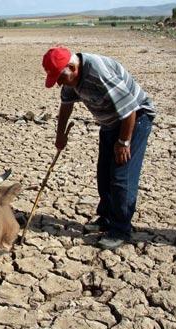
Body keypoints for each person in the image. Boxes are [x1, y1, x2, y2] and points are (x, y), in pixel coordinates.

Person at [42, 46, 156, 249]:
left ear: (72, 67)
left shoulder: (99, 73)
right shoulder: (70, 77)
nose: (59, 83)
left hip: (134, 121)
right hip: (110, 123)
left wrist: (123, 142)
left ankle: (120, 229)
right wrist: (60, 134)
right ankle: (106, 218)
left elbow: (130, 109)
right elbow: (66, 105)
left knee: (121, 176)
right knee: (104, 173)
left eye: (60, 77)